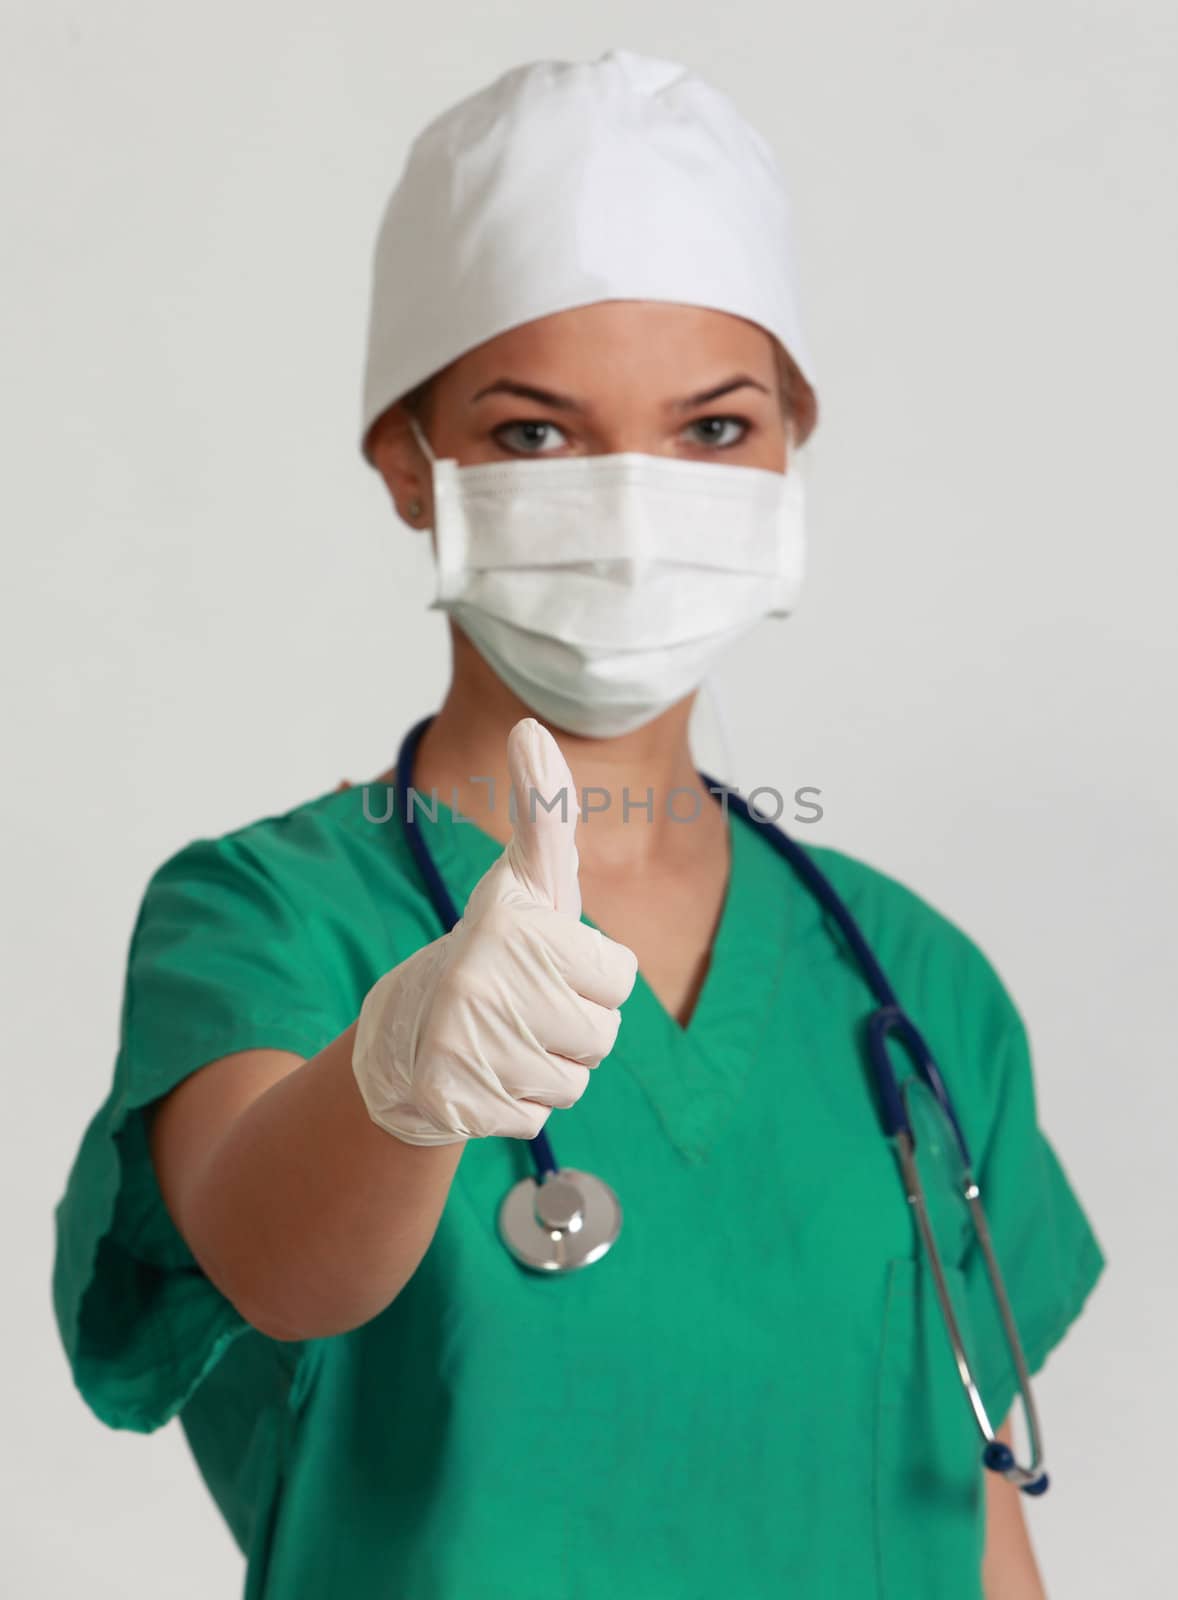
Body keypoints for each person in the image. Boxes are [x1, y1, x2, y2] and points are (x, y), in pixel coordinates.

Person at [52, 48, 1105, 1600]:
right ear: (411, 465)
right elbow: (280, 1266)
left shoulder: (912, 980)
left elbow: (966, 1504)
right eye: (536, 432)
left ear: (788, 455)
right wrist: (397, 1084)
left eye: (712, 430)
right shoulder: (268, 917)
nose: (632, 499)